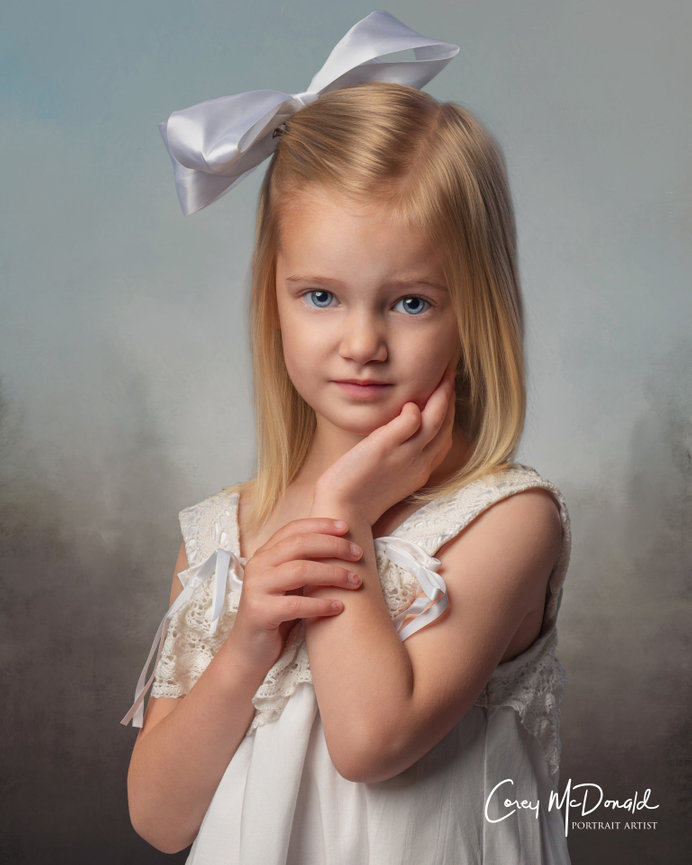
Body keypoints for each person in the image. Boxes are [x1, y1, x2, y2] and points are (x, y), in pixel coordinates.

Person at [123, 12, 572, 864]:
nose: (361, 343)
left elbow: (371, 741)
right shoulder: (222, 537)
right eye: (321, 296)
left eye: (410, 302)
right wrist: (249, 641)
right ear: (274, 301)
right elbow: (159, 816)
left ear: (473, 311)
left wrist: (342, 513)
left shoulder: (508, 520)